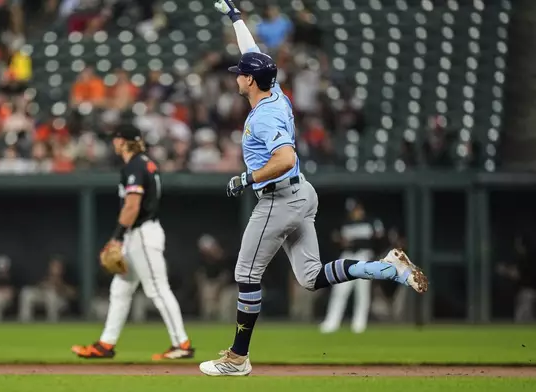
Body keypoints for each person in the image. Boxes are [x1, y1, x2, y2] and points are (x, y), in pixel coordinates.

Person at [199, 0, 429, 377]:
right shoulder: (273, 93)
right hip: (302, 194)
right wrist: (235, 17)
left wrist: (245, 179)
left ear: (251, 81)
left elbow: (285, 158)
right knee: (310, 277)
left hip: (279, 197)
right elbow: (251, 51)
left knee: (245, 273)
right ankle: (387, 269)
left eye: (240, 74)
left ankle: (238, 358)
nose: (236, 76)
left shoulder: (266, 114)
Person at [71, 123, 194, 361]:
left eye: (115, 139)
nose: (112, 143)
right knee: (120, 289)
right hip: (139, 234)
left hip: (142, 234)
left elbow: (132, 205)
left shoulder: (136, 165)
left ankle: (182, 343)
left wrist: (116, 237)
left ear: (122, 141)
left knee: (158, 289)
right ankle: (106, 344)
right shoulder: (144, 163)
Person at [319, 199, 386, 334]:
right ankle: (332, 322)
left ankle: (359, 324)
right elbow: (335, 239)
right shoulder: (344, 223)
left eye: (356, 209)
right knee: (340, 291)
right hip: (347, 256)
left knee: (362, 292)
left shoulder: (371, 221)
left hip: (364, 256)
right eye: (352, 211)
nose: (354, 213)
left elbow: (380, 239)